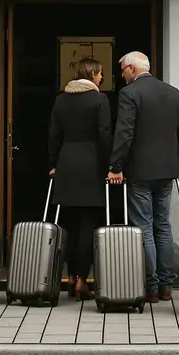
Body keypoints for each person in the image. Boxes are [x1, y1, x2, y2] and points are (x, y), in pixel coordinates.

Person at [107, 51, 179, 303]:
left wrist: (116, 166)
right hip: (166, 171)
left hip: (140, 171)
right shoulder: (172, 92)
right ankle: (167, 286)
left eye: (123, 70)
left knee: (143, 227)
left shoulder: (129, 94)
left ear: (132, 68)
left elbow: (124, 132)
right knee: (163, 226)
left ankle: (151, 287)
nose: (121, 76)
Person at [48, 57, 112, 302]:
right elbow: (105, 135)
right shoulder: (99, 99)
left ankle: (71, 275)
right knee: (88, 224)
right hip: (92, 164)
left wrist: (54, 164)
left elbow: (53, 134)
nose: (102, 78)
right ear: (93, 73)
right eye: (101, 74)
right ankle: (83, 280)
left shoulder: (61, 99)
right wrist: (111, 166)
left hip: (67, 162)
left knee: (70, 224)